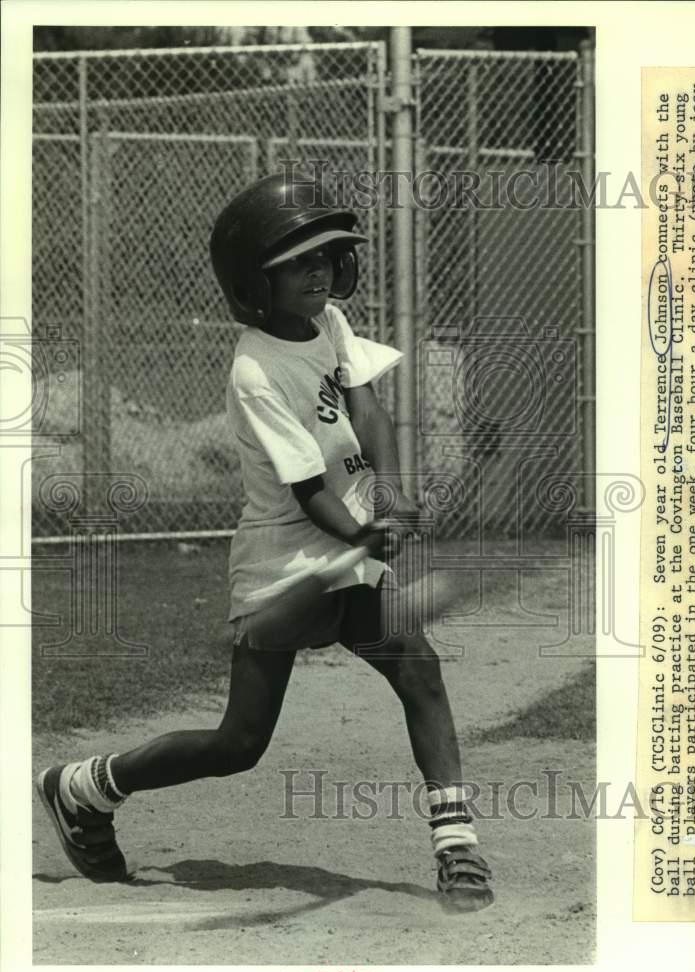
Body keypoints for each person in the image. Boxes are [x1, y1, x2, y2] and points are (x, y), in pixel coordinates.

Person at [36, 171, 494, 912]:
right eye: (299, 264)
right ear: (255, 283)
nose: (320, 274)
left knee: (418, 669)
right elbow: (305, 488)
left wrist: (390, 490)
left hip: (347, 544)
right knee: (239, 744)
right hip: (283, 559)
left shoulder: (330, 324)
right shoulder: (254, 370)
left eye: (326, 258)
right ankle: (84, 786)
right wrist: (360, 532)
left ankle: (456, 844)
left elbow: (365, 407)